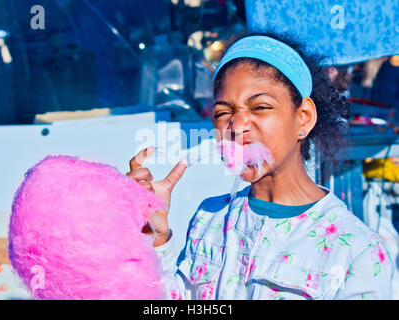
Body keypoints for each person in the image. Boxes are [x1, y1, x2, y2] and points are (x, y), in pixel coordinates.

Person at [126, 33, 394, 300]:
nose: (237, 126)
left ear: (303, 118)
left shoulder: (358, 252)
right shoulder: (210, 217)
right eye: (223, 113)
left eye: (261, 107)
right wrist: (155, 236)